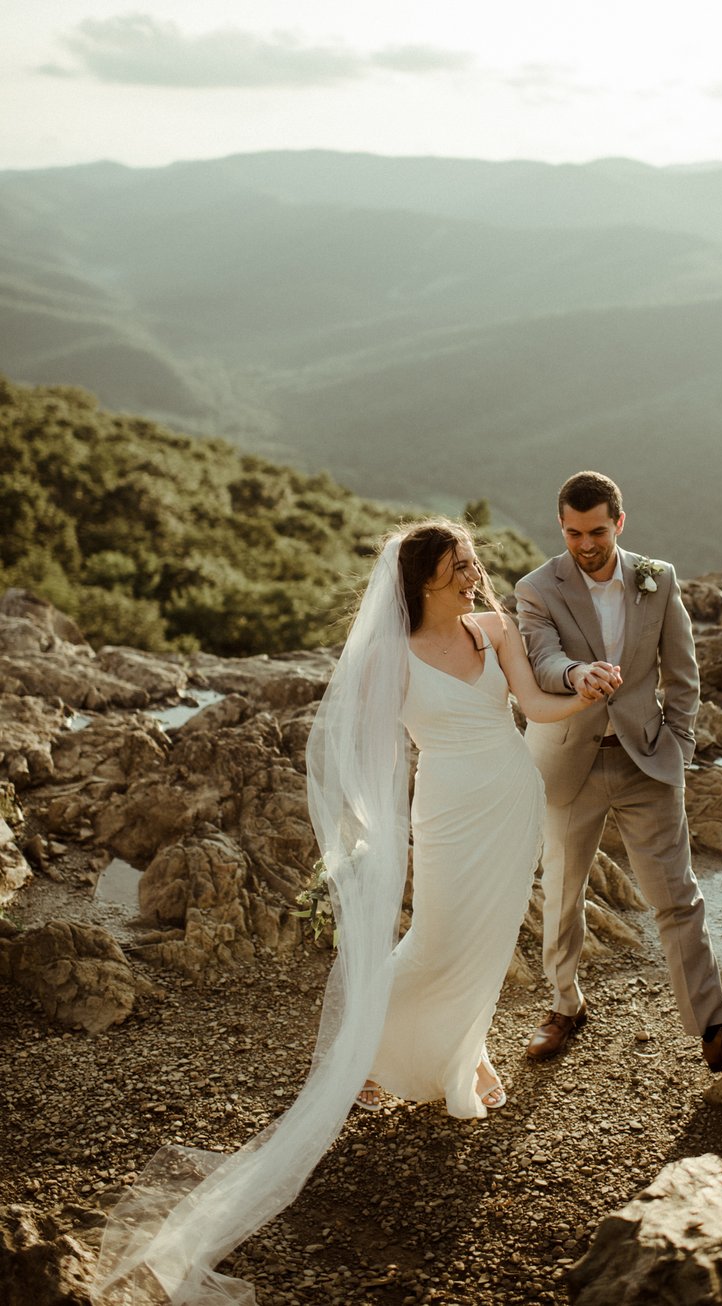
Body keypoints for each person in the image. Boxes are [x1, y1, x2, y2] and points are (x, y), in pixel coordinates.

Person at [93, 520, 605, 1305]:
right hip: (446, 808)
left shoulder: (494, 626)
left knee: (487, 941)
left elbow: (534, 703)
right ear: (424, 576)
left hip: (510, 798)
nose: (473, 572)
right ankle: (362, 1053)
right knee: (436, 940)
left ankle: (460, 1053)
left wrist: (583, 689)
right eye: (458, 564)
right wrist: (363, 824)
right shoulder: (388, 656)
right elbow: (354, 742)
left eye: (472, 561)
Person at [515, 471, 722, 1073]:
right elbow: (541, 655)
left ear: (620, 522)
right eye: (573, 532)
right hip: (567, 763)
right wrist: (576, 674)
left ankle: (716, 1032)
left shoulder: (656, 580)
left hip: (647, 762)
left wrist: (679, 746)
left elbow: (682, 672)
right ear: (561, 526)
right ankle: (564, 1007)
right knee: (561, 894)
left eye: (598, 531)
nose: (585, 543)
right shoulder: (535, 587)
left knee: (678, 898)